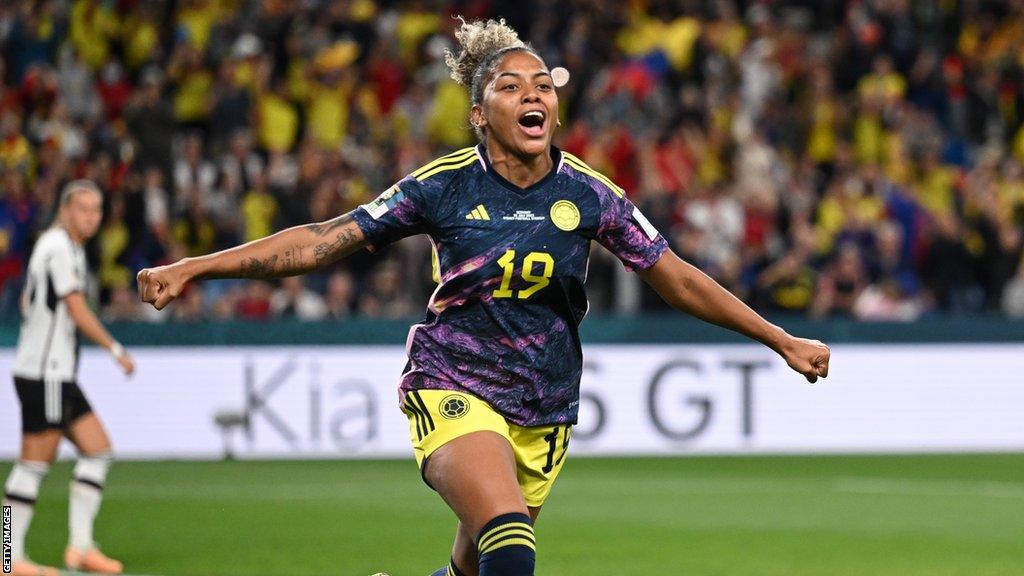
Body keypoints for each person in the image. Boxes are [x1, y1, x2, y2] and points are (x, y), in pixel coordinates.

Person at [136, 18, 830, 576]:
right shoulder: (441, 186)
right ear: (477, 112)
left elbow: (674, 275)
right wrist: (199, 266)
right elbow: (322, 240)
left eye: (543, 86)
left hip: (544, 409)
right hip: (453, 384)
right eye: (510, 86)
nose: (534, 96)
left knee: (475, 566)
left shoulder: (590, 194)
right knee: (510, 544)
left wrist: (780, 338)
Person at [4, 180, 135, 576]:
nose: (91, 217)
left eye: (97, 210)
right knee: (33, 465)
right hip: (44, 374)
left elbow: (31, 300)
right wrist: (115, 350)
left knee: (98, 450)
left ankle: (80, 548)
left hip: (56, 373)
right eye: (83, 208)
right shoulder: (59, 246)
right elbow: (76, 308)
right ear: (64, 209)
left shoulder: (66, 248)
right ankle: (8, 557)